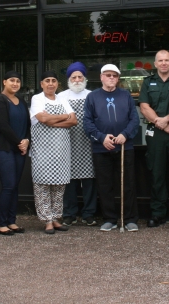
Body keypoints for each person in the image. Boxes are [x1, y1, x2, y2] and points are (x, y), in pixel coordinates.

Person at [83, 64, 140, 232]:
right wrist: (102, 138)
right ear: (101, 77)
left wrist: (125, 134)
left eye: (114, 76)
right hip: (102, 148)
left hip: (124, 146)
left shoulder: (126, 95)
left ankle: (129, 218)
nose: (111, 78)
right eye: (108, 75)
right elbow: (87, 122)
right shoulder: (92, 97)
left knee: (127, 183)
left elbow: (134, 119)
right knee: (105, 184)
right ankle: (109, 218)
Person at [138, 50, 169, 228]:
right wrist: (163, 124)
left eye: (167, 60)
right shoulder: (148, 82)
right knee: (157, 173)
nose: (164, 63)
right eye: (161, 60)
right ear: (156, 63)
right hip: (157, 134)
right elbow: (144, 107)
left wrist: (167, 120)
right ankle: (157, 213)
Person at [29, 70, 77, 234]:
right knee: (42, 184)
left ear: (58, 84)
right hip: (42, 150)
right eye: (47, 80)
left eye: (54, 81)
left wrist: (53, 121)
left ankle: (56, 218)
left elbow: (74, 120)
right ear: (42, 84)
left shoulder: (63, 99)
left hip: (61, 150)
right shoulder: (37, 98)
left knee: (59, 185)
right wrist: (64, 117)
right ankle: (47, 221)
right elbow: (42, 119)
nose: (50, 83)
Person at [0, 71, 31, 235]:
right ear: (4, 82)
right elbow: (3, 126)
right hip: (3, 148)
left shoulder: (21, 101)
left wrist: (26, 140)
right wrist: (19, 142)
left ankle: (11, 221)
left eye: (18, 81)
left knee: (15, 186)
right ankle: (1, 224)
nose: (15, 84)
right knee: (8, 185)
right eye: (12, 81)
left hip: (20, 148)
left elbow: (28, 124)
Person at [57, 62, 98, 226]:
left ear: (84, 78)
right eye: (73, 77)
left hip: (89, 143)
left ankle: (89, 213)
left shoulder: (92, 95)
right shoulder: (61, 96)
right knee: (69, 180)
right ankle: (69, 213)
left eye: (80, 77)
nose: (77, 80)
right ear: (68, 79)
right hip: (67, 143)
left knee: (89, 180)